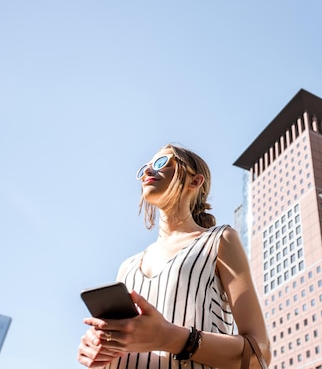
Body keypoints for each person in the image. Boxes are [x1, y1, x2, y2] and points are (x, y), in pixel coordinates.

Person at [77, 143, 270, 368]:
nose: (148, 172)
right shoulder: (127, 267)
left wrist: (169, 337)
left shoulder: (219, 240)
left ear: (195, 181)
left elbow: (259, 354)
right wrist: (100, 348)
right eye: (145, 168)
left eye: (161, 164)